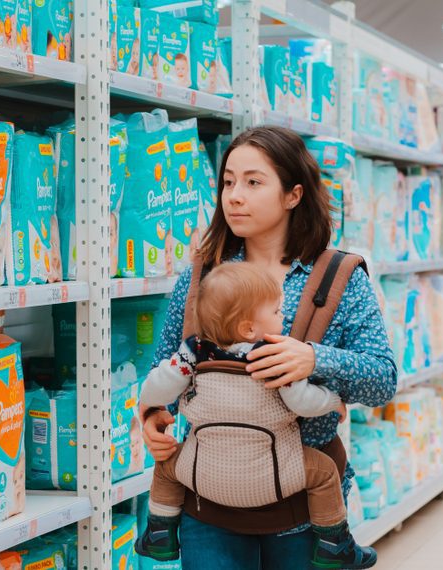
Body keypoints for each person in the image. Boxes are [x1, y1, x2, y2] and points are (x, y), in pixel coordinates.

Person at [140, 126, 396, 569]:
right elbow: (165, 368)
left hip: (302, 512)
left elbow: (383, 381)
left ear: (293, 195)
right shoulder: (202, 277)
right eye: (228, 182)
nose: (234, 196)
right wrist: (151, 418)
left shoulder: (339, 278)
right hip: (209, 503)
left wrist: (314, 358)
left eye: (253, 182)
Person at [136, 263, 373, 568]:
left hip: (205, 477)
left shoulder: (192, 352)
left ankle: (160, 532)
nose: (283, 317)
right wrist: (333, 401)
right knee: (325, 471)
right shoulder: (271, 356)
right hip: (274, 477)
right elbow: (303, 402)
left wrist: (152, 406)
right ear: (249, 328)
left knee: (167, 466)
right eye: (276, 312)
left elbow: (157, 388)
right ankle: (334, 542)